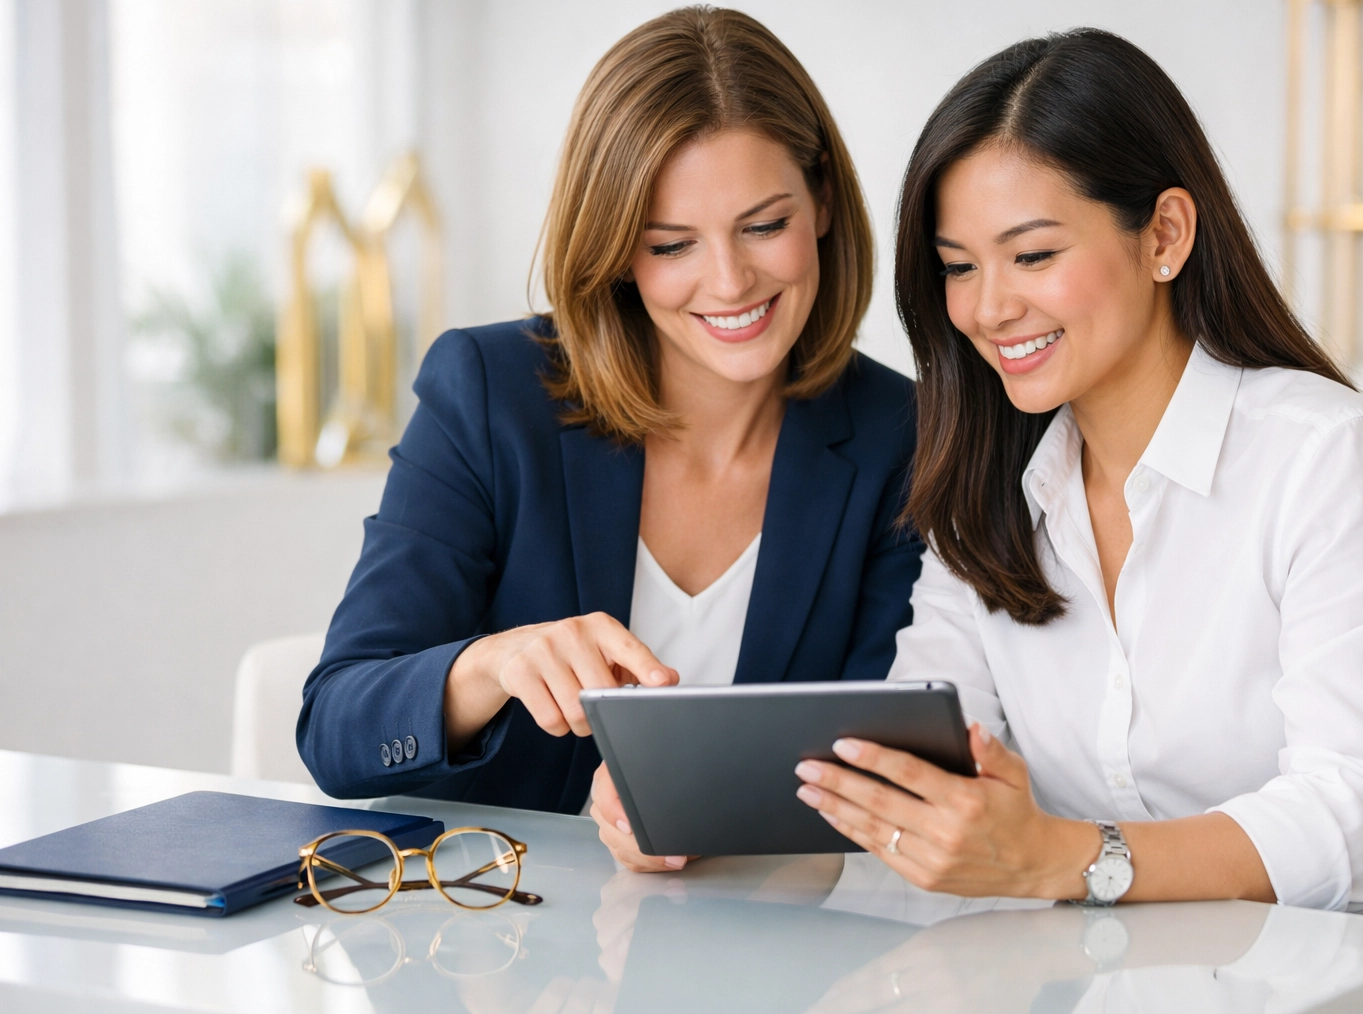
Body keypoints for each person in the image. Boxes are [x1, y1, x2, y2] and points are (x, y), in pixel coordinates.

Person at [793, 29, 1363, 1014]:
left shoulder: (1327, 456)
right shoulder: (988, 491)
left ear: (1164, 235)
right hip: (1153, 972)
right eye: (958, 267)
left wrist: (1069, 857)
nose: (986, 306)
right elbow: (926, 750)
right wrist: (725, 821)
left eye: (1034, 254)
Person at [297, 6, 922, 874]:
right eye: (673, 244)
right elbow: (336, 729)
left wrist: (693, 804)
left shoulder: (905, 437)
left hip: (775, 951)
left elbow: (883, 772)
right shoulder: (490, 393)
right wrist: (492, 665)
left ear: (821, 203)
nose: (731, 281)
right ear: (618, 250)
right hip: (502, 963)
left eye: (765, 225)